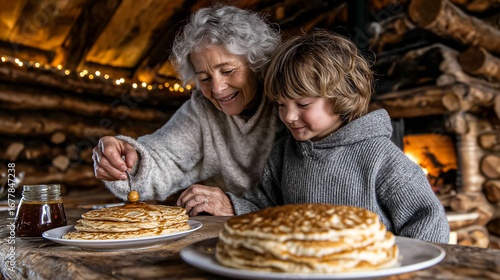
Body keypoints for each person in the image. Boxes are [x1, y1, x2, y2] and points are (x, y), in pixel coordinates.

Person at [221, 30, 450, 243]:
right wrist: (229, 204)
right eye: (281, 104)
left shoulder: (380, 157)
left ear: (341, 96)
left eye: (303, 104)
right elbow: (265, 207)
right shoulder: (284, 152)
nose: (289, 116)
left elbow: (429, 221)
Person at [92, 5, 282, 216]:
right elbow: (163, 158)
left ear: (256, 62)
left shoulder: (288, 104)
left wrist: (234, 206)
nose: (217, 89)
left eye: (227, 71)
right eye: (204, 78)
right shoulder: (203, 108)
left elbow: (305, 195)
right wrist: (125, 160)